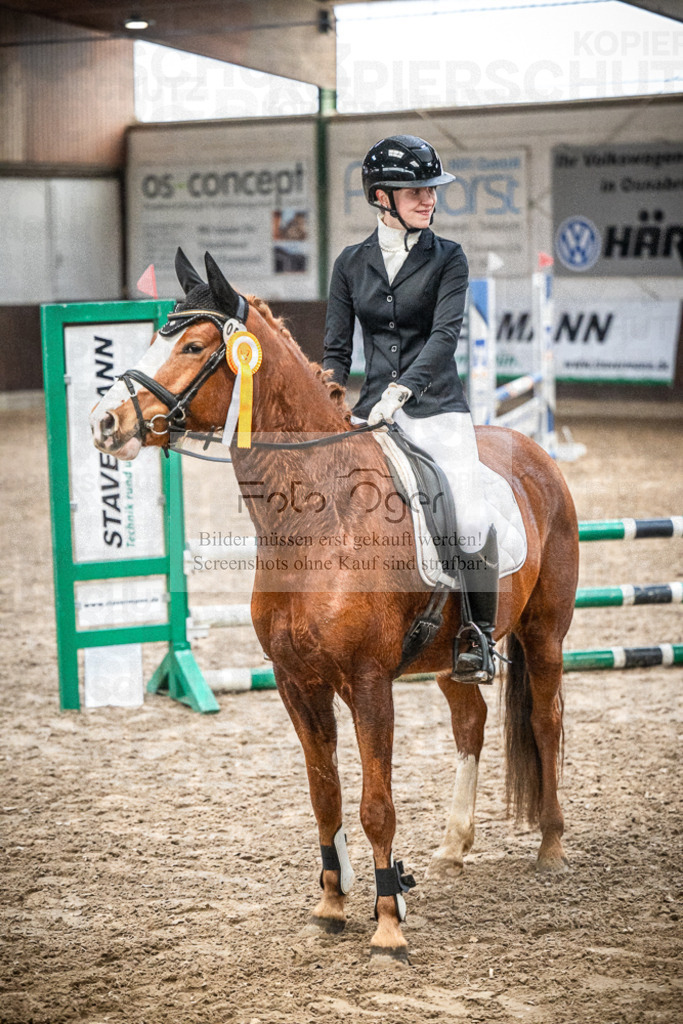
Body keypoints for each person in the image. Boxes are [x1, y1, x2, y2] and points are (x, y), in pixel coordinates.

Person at [323, 134, 499, 683]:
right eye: (415, 191)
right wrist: (330, 400)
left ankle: (478, 636)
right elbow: (336, 351)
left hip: (437, 408)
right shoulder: (350, 264)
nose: (429, 199)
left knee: (469, 516)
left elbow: (444, 336)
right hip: (371, 413)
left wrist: (403, 391)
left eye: (431, 190)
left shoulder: (449, 257)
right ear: (382, 197)